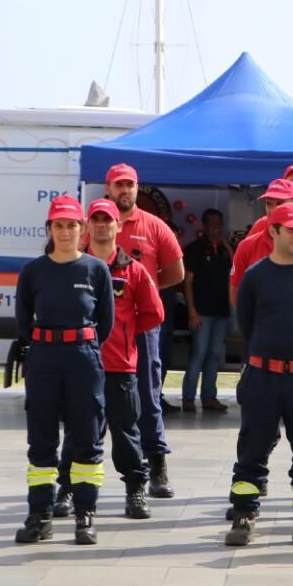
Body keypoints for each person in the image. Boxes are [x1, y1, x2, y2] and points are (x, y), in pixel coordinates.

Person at [225, 202, 293, 547]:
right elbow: (245, 321)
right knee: (253, 446)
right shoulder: (256, 275)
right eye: (291, 229)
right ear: (272, 231)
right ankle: (244, 516)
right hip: (263, 376)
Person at [54, 198, 163, 522]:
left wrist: (125, 335)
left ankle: (135, 491)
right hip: (81, 367)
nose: (102, 225)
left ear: (118, 225)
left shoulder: (134, 270)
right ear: (87, 226)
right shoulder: (76, 268)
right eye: (96, 219)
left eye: (108, 219)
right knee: (77, 433)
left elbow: (154, 314)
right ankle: (68, 490)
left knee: (127, 433)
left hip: (120, 367)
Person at [14, 196, 114, 545]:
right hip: (43, 357)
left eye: (72, 225)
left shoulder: (96, 269)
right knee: (41, 439)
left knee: (86, 438)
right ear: (49, 229)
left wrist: (81, 346)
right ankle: (39, 516)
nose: (66, 231)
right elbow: (24, 321)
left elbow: (107, 322)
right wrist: (46, 344)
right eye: (59, 225)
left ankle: (85, 515)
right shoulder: (33, 271)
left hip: (83, 358)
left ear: (82, 229)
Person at [103, 163, 183, 498]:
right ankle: (79, 472)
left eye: (130, 185)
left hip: (143, 325)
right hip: (101, 328)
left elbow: (176, 272)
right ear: (108, 189)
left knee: (149, 394)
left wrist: (143, 291)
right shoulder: (95, 223)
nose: (125, 190)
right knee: (93, 398)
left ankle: (157, 465)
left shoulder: (155, 227)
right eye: (119, 185)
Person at [182, 209, 233, 412]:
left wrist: (227, 244)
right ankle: (187, 398)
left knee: (214, 355)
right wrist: (192, 311)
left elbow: (238, 266)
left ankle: (209, 397)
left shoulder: (224, 249)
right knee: (199, 354)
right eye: (211, 223)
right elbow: (188, 283)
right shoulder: (194, 248)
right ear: (204, 225)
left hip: (221, 311)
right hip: (201, 312)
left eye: (219, 223)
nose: (215, 227)